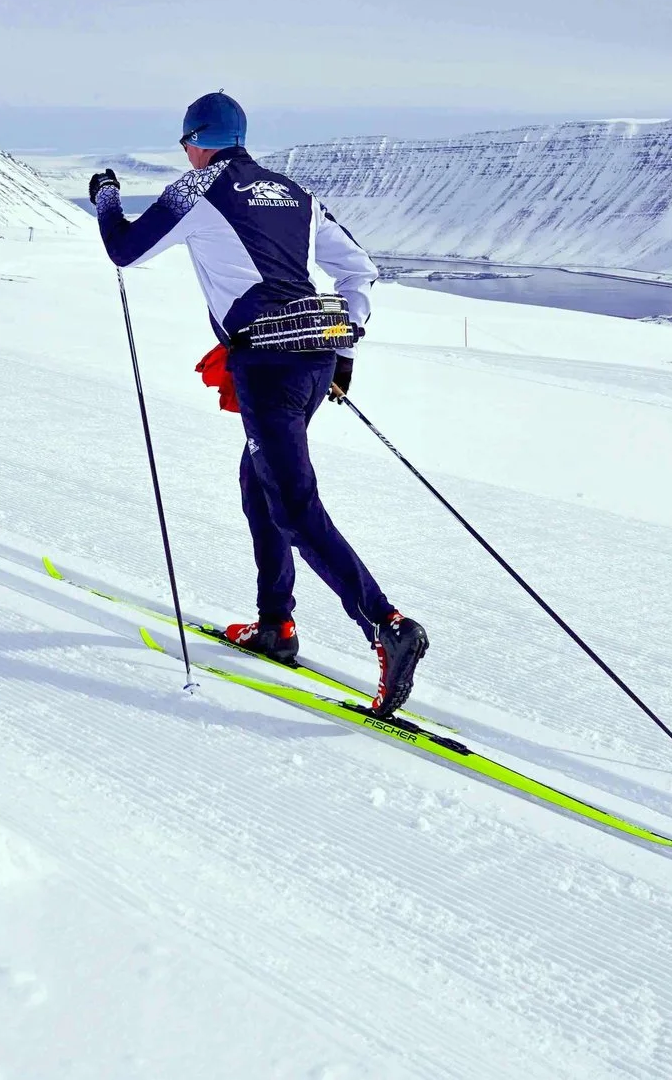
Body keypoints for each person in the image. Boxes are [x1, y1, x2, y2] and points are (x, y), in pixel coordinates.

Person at [90, 91, 431, 717]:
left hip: (268, 365)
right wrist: (344, 349)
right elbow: (359, 270)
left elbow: (124, 249)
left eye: (185, 143)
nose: (185, 154)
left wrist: (107, 197)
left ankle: (387, 625)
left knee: (294, 505)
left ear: (196, 140)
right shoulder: (296, 194)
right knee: (260, 481)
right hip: (316, 356)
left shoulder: (195, 188)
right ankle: (276, 626)